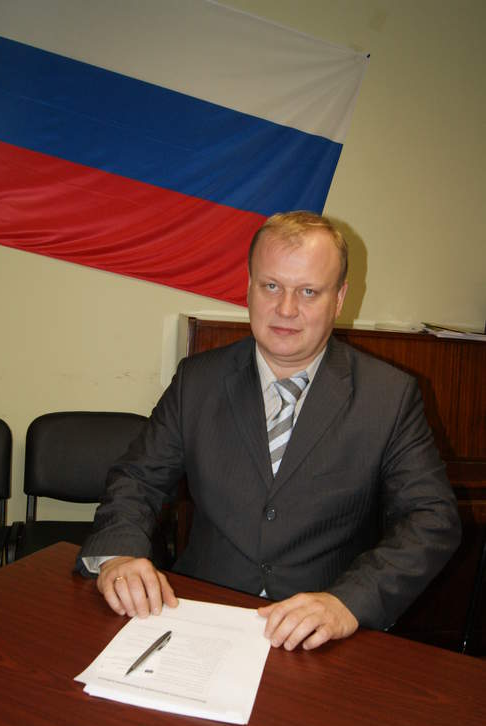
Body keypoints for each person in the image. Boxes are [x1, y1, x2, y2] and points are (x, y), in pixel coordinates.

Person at [79, 211, 461, 652]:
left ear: (339, 298)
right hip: (199, 615)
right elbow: (136, 479)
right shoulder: (197, 381)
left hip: (320, 636)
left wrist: (348, 602)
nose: (286, 309)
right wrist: (119, 555)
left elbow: (432, 518)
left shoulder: (389, 397)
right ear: (249, 286)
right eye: (272, 286)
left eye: (309, 291)